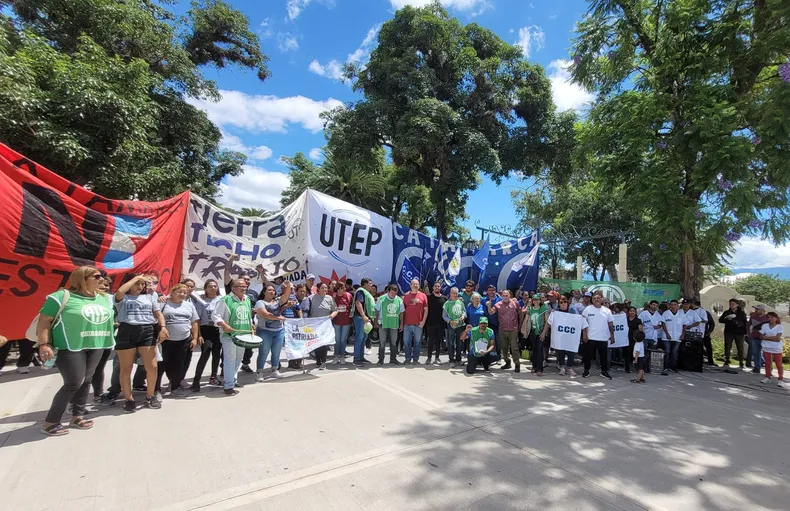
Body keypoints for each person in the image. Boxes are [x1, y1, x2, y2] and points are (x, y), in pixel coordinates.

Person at [37, 266, 115, 436]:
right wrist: (44, 344)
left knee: (86, 380)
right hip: (70, 346)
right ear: (82, 278)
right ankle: (50, 422)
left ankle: (77, 416)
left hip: (97, 344)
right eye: (96, 276)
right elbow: (44, 322)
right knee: (73, 382)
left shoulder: (104, 298)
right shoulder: (61, 296)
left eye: (102, 276)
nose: (101, 279)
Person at [114, 274, 166, 412]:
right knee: (126, 368)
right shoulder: (123, 297)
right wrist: (137, 278)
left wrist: (163, 327)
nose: (141, 286)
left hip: (147, 329)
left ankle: (150, 396)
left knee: (152, 366)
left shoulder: (150, 296)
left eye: (143, 284)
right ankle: (129, 399)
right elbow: (119, 292)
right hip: (127, 329)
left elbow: (158, 313)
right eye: (138, 283)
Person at [156, 284, 199, 398]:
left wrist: (194, 338)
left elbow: (194, 322)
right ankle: (156, 390)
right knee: (161, 365)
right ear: (172, 291)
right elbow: (155, 316)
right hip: (165, 341)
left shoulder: (189, 305)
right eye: (179, 292)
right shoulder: (163, 302)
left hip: (184, 340)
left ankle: (175, 387)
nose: (182, 294)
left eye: (185, 293)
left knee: (178, 365)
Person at [213, 278, 254, 396]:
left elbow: (247, 314)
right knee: (230, 360)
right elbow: (215, 315)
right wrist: (224, 325)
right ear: (233, 288)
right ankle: (228, 386)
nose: (244, 288)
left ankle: (233, 380)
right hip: (229, 335)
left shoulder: (247, 299)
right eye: (241, 286)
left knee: (237, 359)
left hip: (243, 334)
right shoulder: (226, 299)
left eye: (245, 286)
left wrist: (250, 324)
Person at [223, 255, 261, 375]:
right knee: (229, 353)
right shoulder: (232, 289)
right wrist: (231, 260)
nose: (246, 281)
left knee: (247, 348)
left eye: (248, 279)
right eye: (243, 279)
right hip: (232, 326)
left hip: (248, 323)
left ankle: (244, 365)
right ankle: (225, 373)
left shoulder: (253, 294)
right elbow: (226, 272)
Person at [253, 282, 292, 381]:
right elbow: (265, 314)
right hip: (264, 331)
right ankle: (259, 372)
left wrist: (288, 286)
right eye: (269, 290)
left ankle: (275, 370)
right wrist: (279, 317)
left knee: (276, 352)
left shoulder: (277, 301)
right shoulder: (260, 303)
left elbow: (286, 295)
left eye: (273, 290)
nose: (272, 291)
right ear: (264, 292)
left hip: (279, 331)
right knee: (263, 352)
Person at [191, 279, 223, 390]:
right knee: (205, 353)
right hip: (205, 330)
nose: (213, 288)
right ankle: (196, 381)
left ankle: (213, 377)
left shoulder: (221, 300)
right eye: (210, 286)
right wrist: (199, 334)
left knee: (216, 354)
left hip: (218, 330)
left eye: (215, 286)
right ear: (205, 288)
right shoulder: (201, 301)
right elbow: (197, 319)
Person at [541, 295, 582, 376]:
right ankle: (562, 367)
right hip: (560, 336)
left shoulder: (572, 311)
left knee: (571, 351)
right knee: (560, 351)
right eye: (561, 302)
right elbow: (548, 323)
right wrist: (543, 333)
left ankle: (569, 368)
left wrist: (582, 318)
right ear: (559, 304)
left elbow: (578, 321)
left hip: (570, 335)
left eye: (565, 302)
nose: (563, 304)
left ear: (568, 303)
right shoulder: (555, 312)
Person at [304, 282, 338, 369]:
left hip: (326, 324)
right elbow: (306, 310)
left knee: (324, 343)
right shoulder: (311, 298)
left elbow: (335, 310)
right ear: (318, 289)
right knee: (317, 343)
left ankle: (323, 361)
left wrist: (331, 316)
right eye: (322, 288)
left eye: (326, 288)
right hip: (314, 325)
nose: (324, 290)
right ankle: (318, 360)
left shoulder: (329, 298)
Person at [581, 293, 615, 379]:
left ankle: (604, 372)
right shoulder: (587, 309)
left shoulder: (607, 311)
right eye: (594, 298)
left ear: (602, 299)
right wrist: (584, 334)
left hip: (603, 338)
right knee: (588, 356)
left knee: (604, 356)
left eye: (598, 298)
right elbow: (583, 322)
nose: (596, 299)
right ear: (592, 300)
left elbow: (610, 324)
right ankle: (586, 370)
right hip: (590, 337)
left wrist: (612, 335)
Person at [487, 290, 521, 372]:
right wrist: (489, 306)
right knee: (504, 348)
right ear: (501, 296)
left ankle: (517, 364)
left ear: (510, 296)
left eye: (507, 295)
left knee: (514, 348)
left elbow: (520, 312)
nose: (505, 297)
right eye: (504, 295)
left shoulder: (515, 303)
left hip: (513, 329)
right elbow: (491, 312)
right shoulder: (498, 304)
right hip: (502, 329)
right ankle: (507, 362)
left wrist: (520, 325)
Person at [375, 284, 404, 365]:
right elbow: (376, 311)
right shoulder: (381, 299)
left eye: (395, 293)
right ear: (388, 291)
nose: (393, 295)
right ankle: (380, 360)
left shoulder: (399, 300)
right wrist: (375, 323)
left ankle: (393, 359)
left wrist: (401, 324)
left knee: (394, 343)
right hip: (383, 324)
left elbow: (401, 313)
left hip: (394, 324)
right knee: (382, 342)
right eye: (392, 293)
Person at [350, 278, 376, 367]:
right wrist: (363, 316)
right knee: (359, 337)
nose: (371, 285)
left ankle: (361, 357)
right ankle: (356, 359)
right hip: (360, 318)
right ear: (364, 284)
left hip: (365, 319)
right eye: (370, 283)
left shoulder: (366, 293)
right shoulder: (361, 291)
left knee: (364, 338)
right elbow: (358, 303)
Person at [402, 278, 428, 365]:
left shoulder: (423, 296)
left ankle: (416, 359)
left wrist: (423, 321)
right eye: (413, 284)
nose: (415, 285)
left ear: (419, 285)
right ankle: (407, 358)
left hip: (418, 323)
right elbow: (403, 311)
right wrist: (401, 323)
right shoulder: (406, 296)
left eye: (417, 284)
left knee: (417, 342)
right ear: (410, 285)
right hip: (407, 323)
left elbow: (426, 309)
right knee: (406, 342)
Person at [758, 312, 785, 387]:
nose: (770, 319)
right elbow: (761, 336)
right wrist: (771, 338)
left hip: (776, 348)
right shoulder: (764, 326)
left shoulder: (780, 327)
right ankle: (767, 376)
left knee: (778, 364)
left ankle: (780, 379)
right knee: (767, 363)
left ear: (776, 318)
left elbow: (777, 338)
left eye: (772, 317)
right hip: (766, 347)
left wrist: (766, 338)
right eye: (768, 317)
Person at [719, 299, 747, 368]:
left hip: (739, 333)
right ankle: (727, 359)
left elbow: (744, 323)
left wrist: (745, 332)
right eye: (730, 304)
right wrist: (727, 318)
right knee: (727, 346)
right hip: (729, 332)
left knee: (740, 347)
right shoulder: (727, 312)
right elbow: (720, 320)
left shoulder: (741, 313)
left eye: (733, 304)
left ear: (737, 305)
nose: (731, 305)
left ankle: (741, 361)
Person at [443, 287, 467, 367]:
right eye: (454, 293)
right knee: (450, 343)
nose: (455, 295)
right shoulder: (446, 304)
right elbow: (444, 316)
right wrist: (450, 321)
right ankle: (451, 360)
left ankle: (458, 359)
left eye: (456, 293)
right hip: (451, 326)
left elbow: (464, 311)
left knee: (459, 343)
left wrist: (463, 316)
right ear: (450, 293)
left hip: (460, 325)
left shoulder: (460, 302)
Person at [425, 281, 447, 365]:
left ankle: (437, 357)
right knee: (430, 341)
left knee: (439, 341)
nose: (437, 288)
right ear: (433, 288)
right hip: (431, 323)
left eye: (438, 286)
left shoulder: (444, 298)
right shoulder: (429, 297)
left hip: (441, 323)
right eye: (435, 286)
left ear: (440, 288)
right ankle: (429, 357)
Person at [527, 294, 548, 375]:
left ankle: (540, 369)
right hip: (532, 331)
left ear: (540, 300)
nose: (536, 301)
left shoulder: (544, 308)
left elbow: (547, 321)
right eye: (534, 299)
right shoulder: (530, 309)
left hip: (541, 331)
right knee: (534, 349)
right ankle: (534, 366)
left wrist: (543, 333)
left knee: (539, 349)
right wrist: (525, 330)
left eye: (537, 299)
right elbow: (526, 320)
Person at [661, 300, 684, 373]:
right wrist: (667, 333)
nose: (673, 306)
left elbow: (684, 325)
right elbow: (663, 323)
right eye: (672, 305)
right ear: (669, 306)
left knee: (674, 352)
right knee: (667, 351)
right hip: (666, 336)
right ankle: (665, 366)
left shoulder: (681, 314)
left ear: (677, 306)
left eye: (675, 305)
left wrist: (683, 334)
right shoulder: (666, 313)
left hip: (678, 336)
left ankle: (672, 367)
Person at [332, 281, 353, 364]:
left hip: (346, 321)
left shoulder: (348, 295)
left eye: (344, 287)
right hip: (336, 321)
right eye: (342, 288)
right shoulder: (333, 297)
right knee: (337, 339)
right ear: (338, 289)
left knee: (343, 339)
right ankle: (336, 356)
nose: (344, 289)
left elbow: (352, 307)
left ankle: (342, 356)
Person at [481, 285, 501, 360]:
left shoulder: (500, 299)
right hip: (487, 324)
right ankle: (487, 356)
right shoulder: (483, 300)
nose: (491, 292)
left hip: (497, 323)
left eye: (492, 290)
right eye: (489, 290)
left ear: (495, 290)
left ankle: (498, 357)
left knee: (498, 341)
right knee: (487, 341)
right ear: (487, 291)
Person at [747, 305, 769, 372]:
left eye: (757, 309)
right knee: (756, 353)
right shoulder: (753, 317)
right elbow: (748, 325)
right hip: (754, 337)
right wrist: (749, 333)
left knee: (767, 354)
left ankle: (769, 369)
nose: (756, 310)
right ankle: (757, 367)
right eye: (755, 309)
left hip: (765, 338)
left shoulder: (767, 318)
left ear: (762, 310)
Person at [626, 306, 643, 373]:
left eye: (633, 311)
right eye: (630, 311)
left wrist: (640, 339)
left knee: (635, 354)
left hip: (635, 340)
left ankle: (637, 367)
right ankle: (627, 368)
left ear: (635, 312)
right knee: (627, 354)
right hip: (626, 339)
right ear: (628, 312)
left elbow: (640, 330)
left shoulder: (638, 320)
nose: (632, 312)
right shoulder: (625, 319)